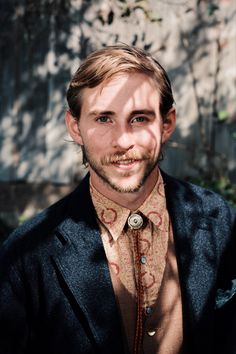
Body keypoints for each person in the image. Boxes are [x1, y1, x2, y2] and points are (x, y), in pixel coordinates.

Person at [0, 44, 235, 354]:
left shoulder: (222, 222)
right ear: (75, 127)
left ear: (166, 124)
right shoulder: (24, 255)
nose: (123, 141)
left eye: (139, 119)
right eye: (103, 119)